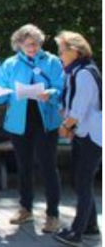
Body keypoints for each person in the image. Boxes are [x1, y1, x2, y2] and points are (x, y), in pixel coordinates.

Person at [0, 24, 63, 233]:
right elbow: (1, 91)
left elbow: (62, 88)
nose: (32, 48)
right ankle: (25, 208)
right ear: (19, 44)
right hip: (19, 123)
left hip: (46, 122)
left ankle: (53, 214)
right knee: (23, 166)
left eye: (35, 44)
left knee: (48, 167)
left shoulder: (52, 61)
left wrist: (49, 93)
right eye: (27, 44)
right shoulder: (10, 64)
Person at [53, 31, 101, 247]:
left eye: (62, 50)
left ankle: (77, 233)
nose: (60, 54)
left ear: (75, 51)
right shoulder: (77, 70)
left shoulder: (83, 73)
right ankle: (90, 227)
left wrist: (66, 126)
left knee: (82, 182)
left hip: (92, 135)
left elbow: (79, 109)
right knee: (79, 180)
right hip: (84, 133)